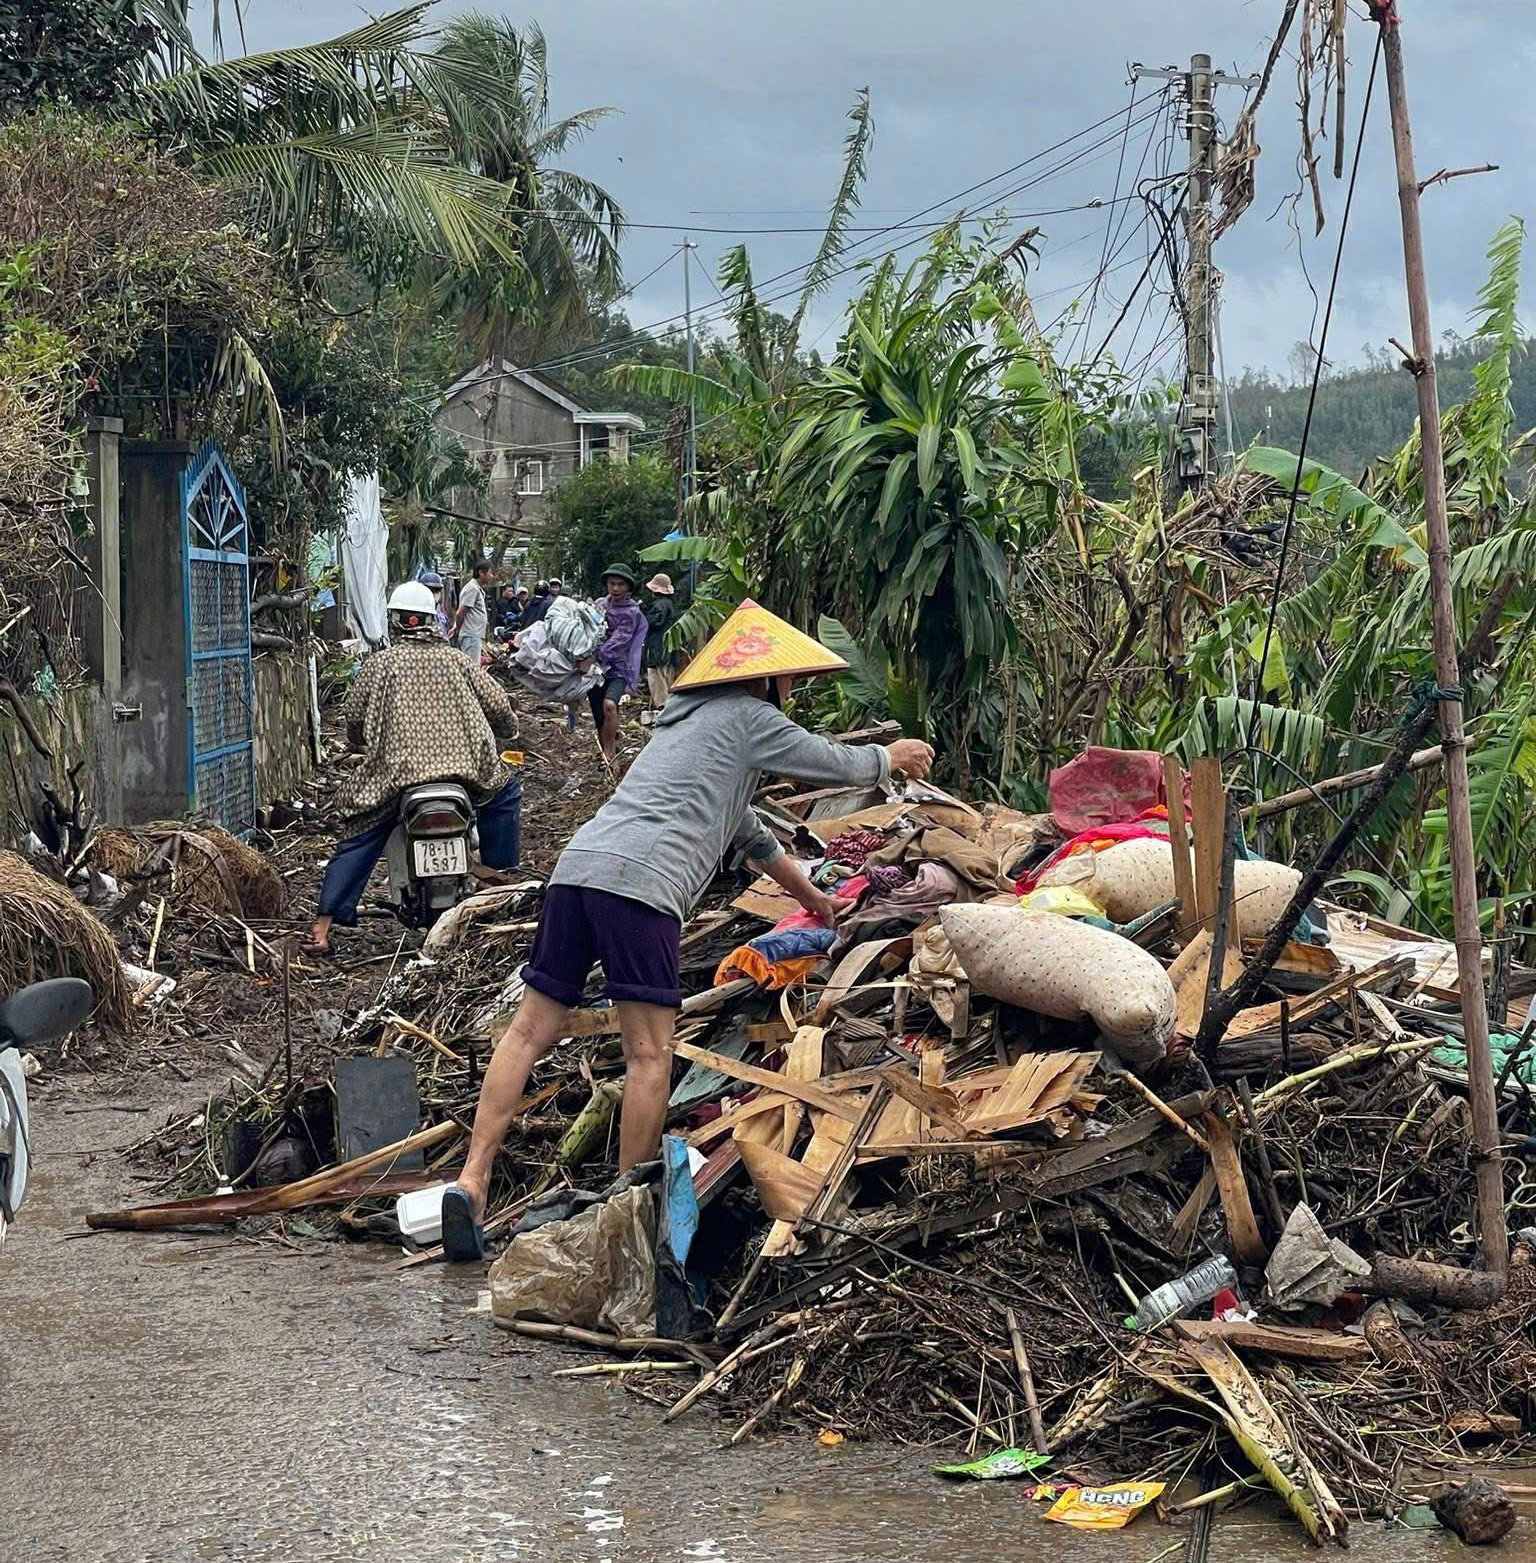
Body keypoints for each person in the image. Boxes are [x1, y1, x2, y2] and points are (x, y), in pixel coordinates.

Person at [440, 599, 935, 1259]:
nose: (790, 691)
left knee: (529, 1030)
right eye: (789, 679)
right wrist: (889, 756)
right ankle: (623, 1222)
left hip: (576, 872)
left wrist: (816, 899)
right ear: (764, 678)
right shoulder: (750, 717)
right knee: (650, 1056)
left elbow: (750, 834)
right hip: (642, 890)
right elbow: (829, 762)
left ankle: (471, 1180)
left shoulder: (686, 729)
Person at [306, 582, 523, 956]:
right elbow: (499, 706)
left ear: (395, 621)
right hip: (467, 773)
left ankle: (322, 927)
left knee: (360, 831)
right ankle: (505, 886)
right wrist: (508, 731)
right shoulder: (457, 660)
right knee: (505, 797)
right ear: (431, 620)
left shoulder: (380, 664)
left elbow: (354, 716)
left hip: (399, 778)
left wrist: (360, 741)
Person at [589, 564, 647, 765]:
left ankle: (610, 752)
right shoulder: (599, 605)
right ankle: (605, 751)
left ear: (628, 587)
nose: (615, 588)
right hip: (595, 670)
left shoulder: (632, 612)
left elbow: (619, 640)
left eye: (620, 584)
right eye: (612, 583)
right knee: (598, 713)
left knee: (610, 705)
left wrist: (594, 654)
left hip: (619, 669)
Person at [641, 573, 679, 714]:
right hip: (667, 650)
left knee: (658, 682)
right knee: (667, 680)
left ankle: (662, 710)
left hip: (658, 650)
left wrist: (642, 612)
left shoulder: (660, 605)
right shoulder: (668, 604)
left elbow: (653, 622)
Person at [454, 559, 493, 664]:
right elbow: (460, 613)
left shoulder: (475, 588)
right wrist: (457, 629)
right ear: (481, 573)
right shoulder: (473, 589)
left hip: (473, 635)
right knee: (472, 666)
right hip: (471, 635)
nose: (492, 576)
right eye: (490, 573)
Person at [419, 570, 449, 639]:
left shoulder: (441, 615)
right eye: (431, 590)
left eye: (437, 591)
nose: (434, 595)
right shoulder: (418, 613)